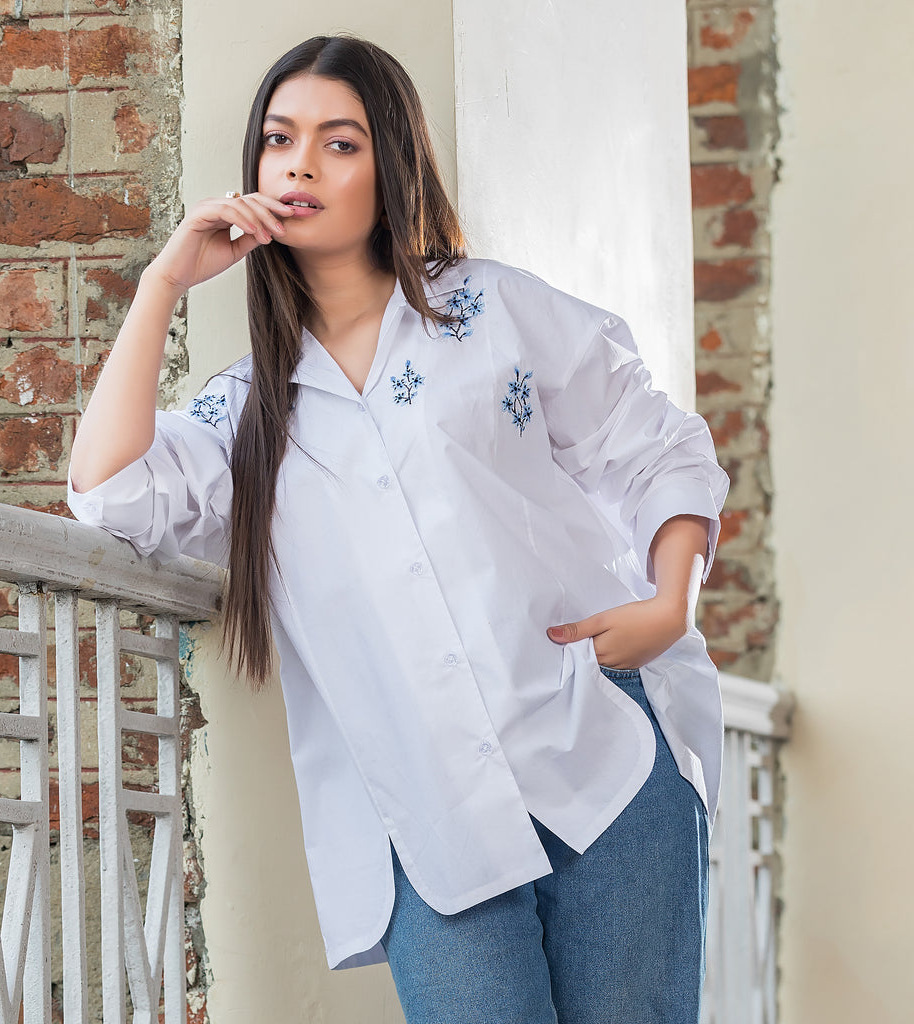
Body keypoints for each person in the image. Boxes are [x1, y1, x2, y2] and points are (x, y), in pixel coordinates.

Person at [68, 33, 730, 1024]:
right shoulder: (248, 408)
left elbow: (655, 443)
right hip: (424, 820)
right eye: (280, 140)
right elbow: (110, 488)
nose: (300, 165)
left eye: (339, 143)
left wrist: (670, 603)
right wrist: (163, 281)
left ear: (392, 166)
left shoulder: (493, 312)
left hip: (601, 757)